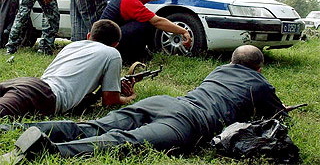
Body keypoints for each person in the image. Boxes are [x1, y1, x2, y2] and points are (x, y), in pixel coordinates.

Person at [0, 45, 290, 162]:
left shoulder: (218, 70)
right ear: (259, 68)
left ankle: (26, 128)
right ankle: (50, 151)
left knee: (96, 124)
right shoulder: (260, 84)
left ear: (231, 61)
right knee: (129, 141)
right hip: (189, 120)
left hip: (164, 102)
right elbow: (277, 115)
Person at [0, 19, 136, 118]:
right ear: (115, 44)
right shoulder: (112, 54)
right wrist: (130, 97)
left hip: (27, 83)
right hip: (44, 95)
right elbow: (110, 101)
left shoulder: (72, 46)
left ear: (89, 36)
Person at [100, 0, 192, 63]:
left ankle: (139, 53)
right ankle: (129, 58)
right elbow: (157, 21)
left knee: (144, 22)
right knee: (145, 23)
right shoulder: (128, 0)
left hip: (111, 34)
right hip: (107, 43)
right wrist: (183, 31)